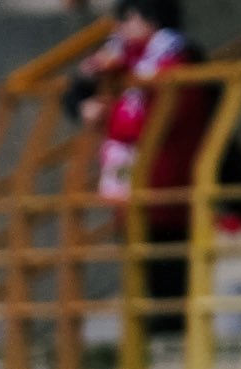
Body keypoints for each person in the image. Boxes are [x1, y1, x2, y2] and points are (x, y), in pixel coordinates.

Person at [65, 0, 207, 327]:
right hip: (135, 188)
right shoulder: (126, 60)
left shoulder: (177, 61)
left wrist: (106, 114)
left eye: (127, 19)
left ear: (150, 19)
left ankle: (170, 333)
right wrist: (87, 89)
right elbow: (79, 90)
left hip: (167, 184)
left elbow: (156, 120)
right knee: (141, 267)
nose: (121, 28)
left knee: (167, 268)